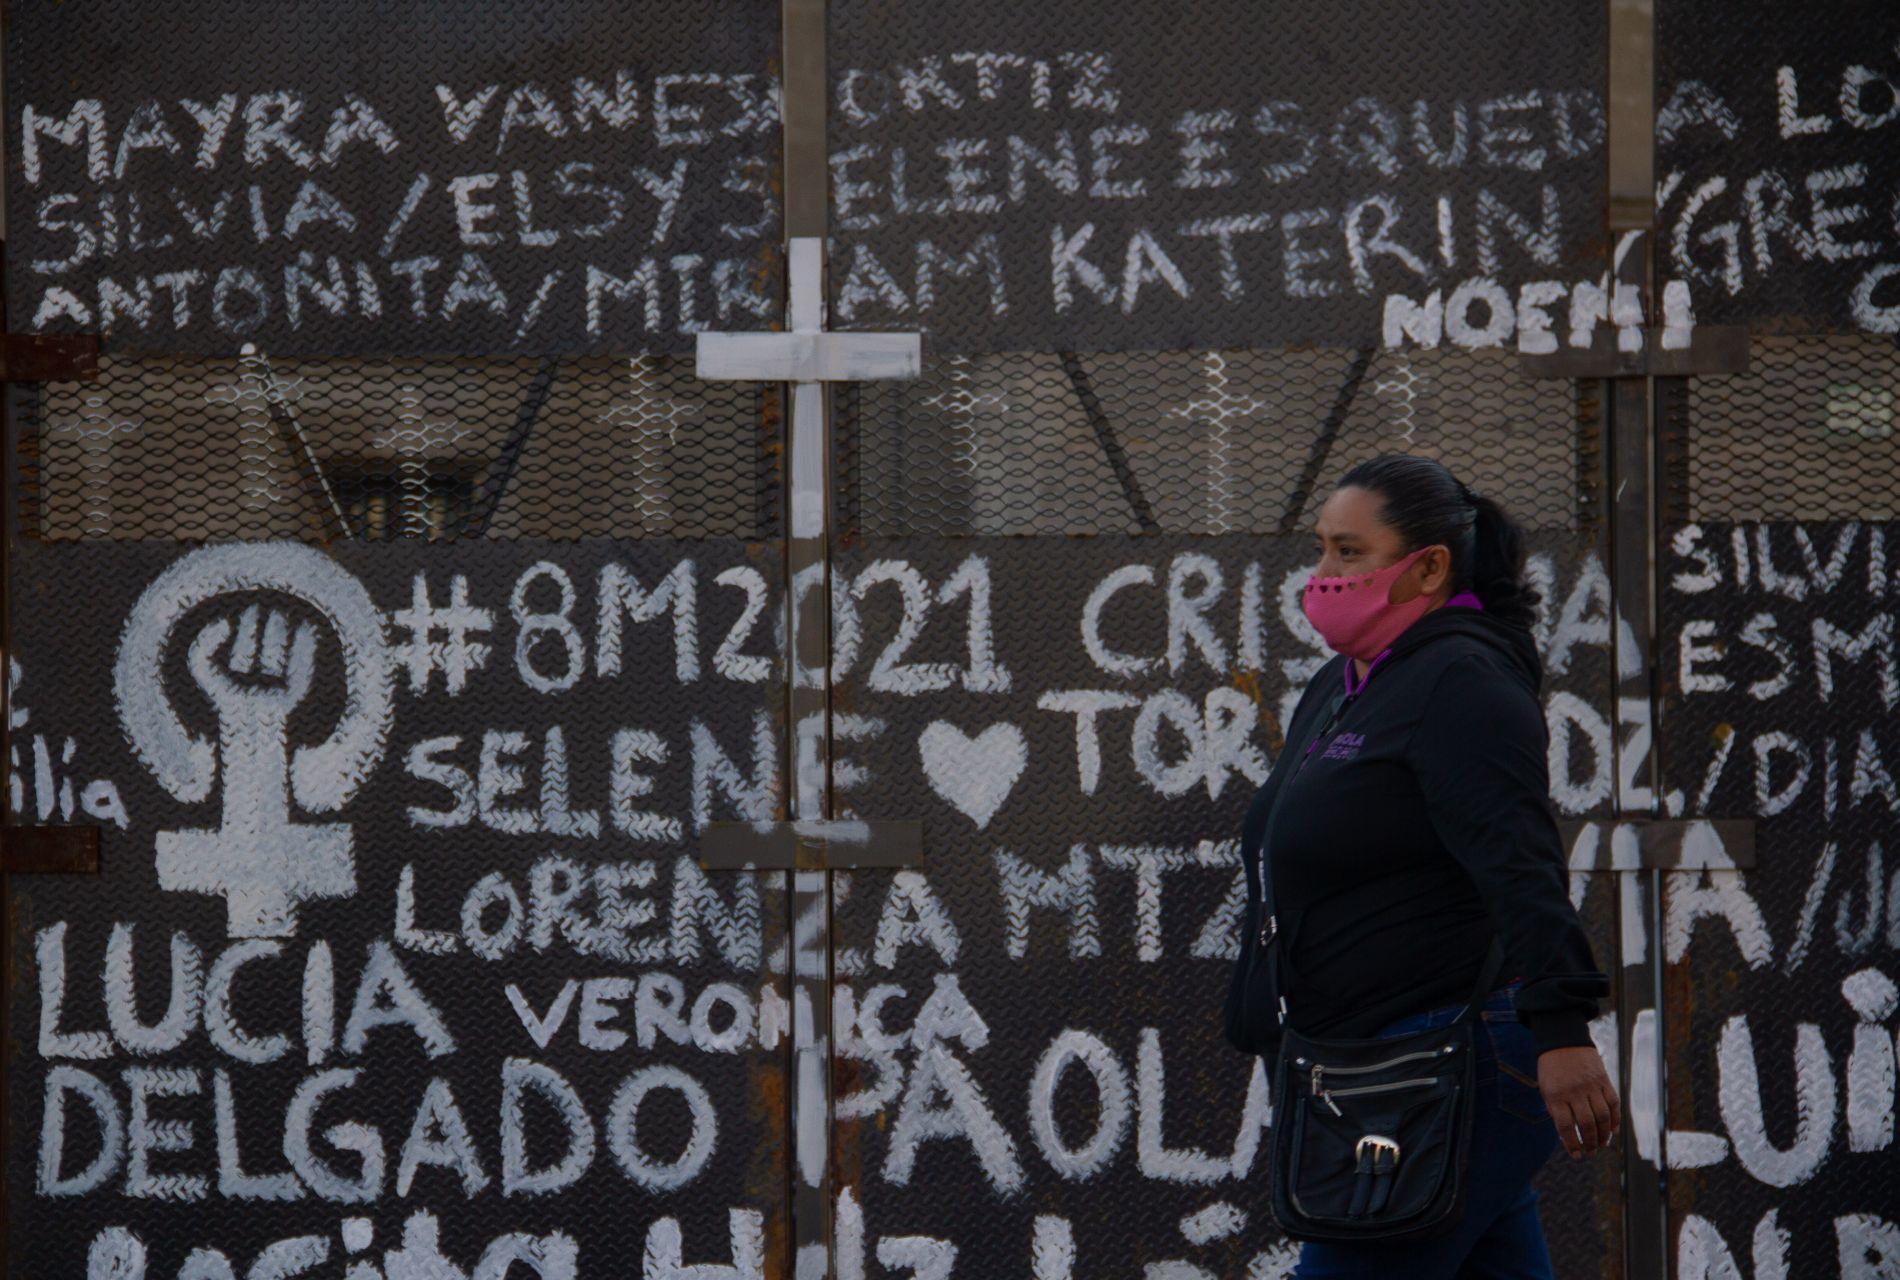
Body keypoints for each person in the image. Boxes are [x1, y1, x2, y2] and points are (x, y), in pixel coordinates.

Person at [1223, 453, 1621, 1279]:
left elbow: (1520, 860)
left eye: (1349, 552)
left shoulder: (1460, 682)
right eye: (1323, 550)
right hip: (1373, 1063)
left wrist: (1562, 1028)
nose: (1323, 574)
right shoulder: (1347, 684)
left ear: (1429, 566)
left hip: (1448, 1056)